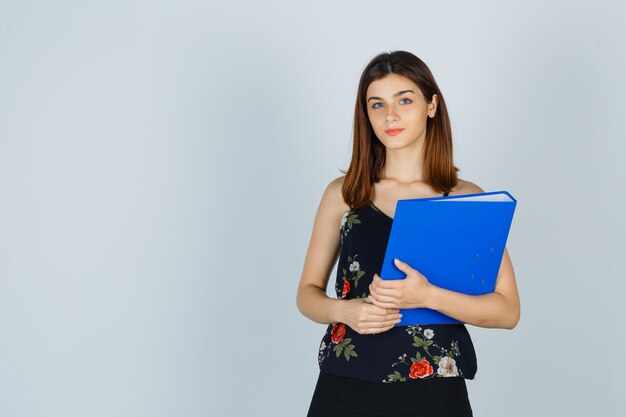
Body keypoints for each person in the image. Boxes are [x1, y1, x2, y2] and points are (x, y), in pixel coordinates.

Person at [296, 50, 521, 417]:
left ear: (431, 105)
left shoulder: (465, 198)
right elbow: (306, 294)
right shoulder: (345, 193)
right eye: (377, 104)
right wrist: (344, 311)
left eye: (404, 99)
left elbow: (507, 310)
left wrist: (427, 295)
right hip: (346, 383)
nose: (391, 115)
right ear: (365, 115)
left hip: (432, 389)